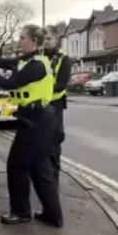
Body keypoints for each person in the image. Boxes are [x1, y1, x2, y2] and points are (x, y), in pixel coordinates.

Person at [0, 25, 63, 228]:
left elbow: (9, 84)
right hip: (35, 117)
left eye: (22, 37)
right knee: (39, 168)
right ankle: (53, 215)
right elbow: (6, 62)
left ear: (33, 41)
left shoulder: (37, 65)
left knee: (16, 165)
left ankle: (21, 212)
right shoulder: (26, 61)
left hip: (37, 119)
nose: (19, 40)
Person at [42, 25, 71, 183]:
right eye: (43, 39)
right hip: (39, 105)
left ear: (56, 39)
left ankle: (53, 182)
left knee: (53, 145)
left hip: (54, 105)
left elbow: (61, 84)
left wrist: (41, 91)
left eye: (49, 39)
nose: (45, 42)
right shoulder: (38, 56)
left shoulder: (62, 58)